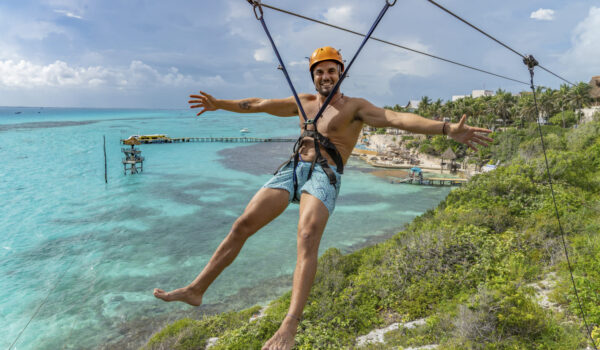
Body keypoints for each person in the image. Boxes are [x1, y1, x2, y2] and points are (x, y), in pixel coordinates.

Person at [154, 46, 493, 350]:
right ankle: (196, 289)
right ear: (313, 77)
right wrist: (218, 104)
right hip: (293, 168)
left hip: (324, 174)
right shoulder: (303, 102)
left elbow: (397, 119)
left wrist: (447, 128)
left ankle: (290, 323)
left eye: (331, 70)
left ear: (341, 73)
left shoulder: (356, 107)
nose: (325, 75)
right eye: (319, 71)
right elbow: (256, 104)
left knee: (306, 236)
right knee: (242, 224)